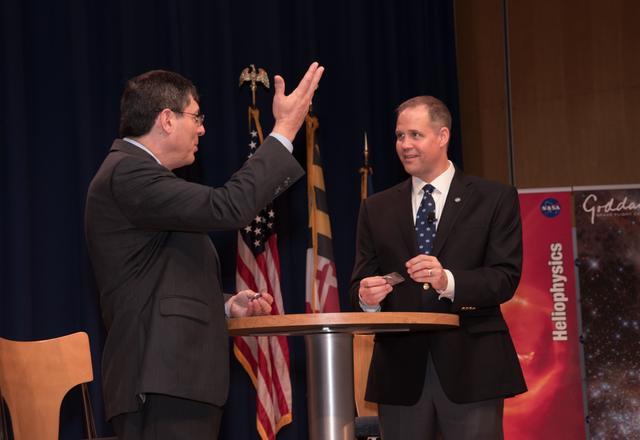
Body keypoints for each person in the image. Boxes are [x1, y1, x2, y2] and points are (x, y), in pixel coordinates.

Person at [85, 63, 323, 439]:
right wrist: (284, 130)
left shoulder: (146, 180)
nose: (202, 129)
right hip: (160, 382)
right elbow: (229, 206)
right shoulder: (128, 173)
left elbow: (163, 280)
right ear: (166, 119)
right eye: (196, 117)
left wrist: (227, 306)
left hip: (175, 381)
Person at [350, 96, 526, 439]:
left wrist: (448, 281)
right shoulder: (376, 208)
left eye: (415, 135)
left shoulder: (494, 198)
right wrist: (367, 297)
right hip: (400, 375)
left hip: (473, 369)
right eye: (400, 136)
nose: (405, 145)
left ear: (443, 136)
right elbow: (359, 281)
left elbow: (504, 278)